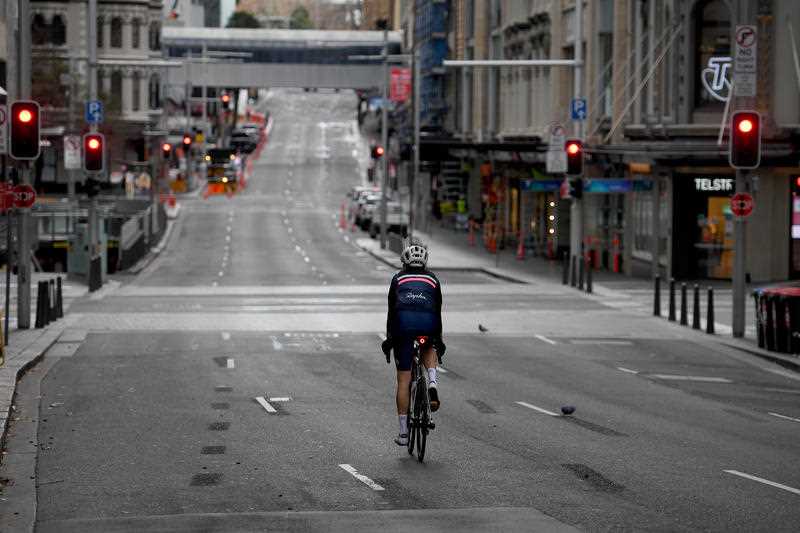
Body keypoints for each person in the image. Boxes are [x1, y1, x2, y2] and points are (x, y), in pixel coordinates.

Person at [381, 238, 445, 446]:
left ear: (404, 262)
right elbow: (438, 312)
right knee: (429, 345)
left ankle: (402, 433)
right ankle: (433, 382)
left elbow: (392, 313)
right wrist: (439, 341)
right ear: (425, 263)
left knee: (404, 381)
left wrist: (389, 340)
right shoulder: (433, 280)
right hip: (428, 327)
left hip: (404, 330)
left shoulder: (398, 279)